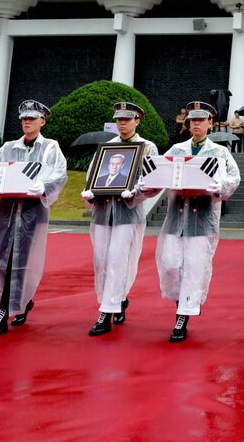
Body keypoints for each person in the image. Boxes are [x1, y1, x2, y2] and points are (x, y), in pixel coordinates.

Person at [139, 101, 240, 343]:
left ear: (210, 123)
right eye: (192, 120)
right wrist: (147, 185)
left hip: (203, 218)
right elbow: (158, 175)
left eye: (201, 120)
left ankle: (183, 315)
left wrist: (221, 187)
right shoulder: (176, 150)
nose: (196, 124)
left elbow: (234, 178)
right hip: (177, 217)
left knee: (195, 266)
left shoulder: (220, 152)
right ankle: (181, 300)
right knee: (171, 263)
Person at [0, 100, 67, 337]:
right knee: (3, 258)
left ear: (42, 121)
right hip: (8, 208)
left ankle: (6, 309)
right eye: (24, 119)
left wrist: (42, 186)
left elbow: (59, 173)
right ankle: (20, 301)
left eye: (32, 119)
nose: (27, 122)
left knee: (22, 259)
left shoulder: (51, 147)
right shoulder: (9, 147)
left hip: (33, 209)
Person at [79, 101, 160, 336]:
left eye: (127, 119)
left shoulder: (147, 147)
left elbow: (152, 181)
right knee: (102, 259)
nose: (122, 123)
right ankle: (117, 298)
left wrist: (135, 193)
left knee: (119, 259)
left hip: (127, 212)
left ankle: (106, 311)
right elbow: (94, 174)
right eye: (119, 120)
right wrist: (90, 191)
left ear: (137, 120)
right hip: (104, 211)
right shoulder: (107, 147)